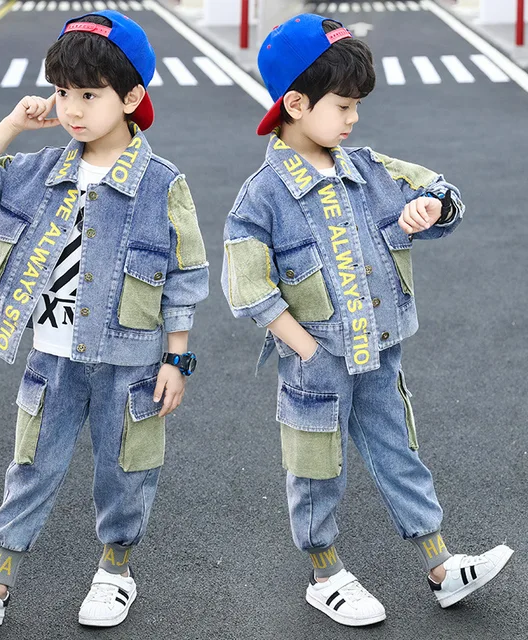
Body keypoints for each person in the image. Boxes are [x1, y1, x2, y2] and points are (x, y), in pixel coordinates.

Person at [221, 13, 512, 627]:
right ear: (296, 104)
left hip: (380, 351)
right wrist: (303, 347)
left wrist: (431, 208)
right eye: (344, 106)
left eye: (356, 106)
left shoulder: (371, 170)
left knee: (399, 451)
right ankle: (324, 573)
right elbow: (247, 286)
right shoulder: (263, 195)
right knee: (315, 468)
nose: (354, 119)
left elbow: (442, 191)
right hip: (317, 362)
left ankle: (440, 564)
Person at [0, 11, 208, 628]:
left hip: (130, 362)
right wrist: (13, 124)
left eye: (89, 95)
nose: (72, 109)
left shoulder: (162, 184)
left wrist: (176, 358)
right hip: (51, 356)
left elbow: (184, 275)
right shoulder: (40, 172)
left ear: (130, 97)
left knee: (126, 470)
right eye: (62, 92)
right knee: (30, 466)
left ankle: (115, 574)